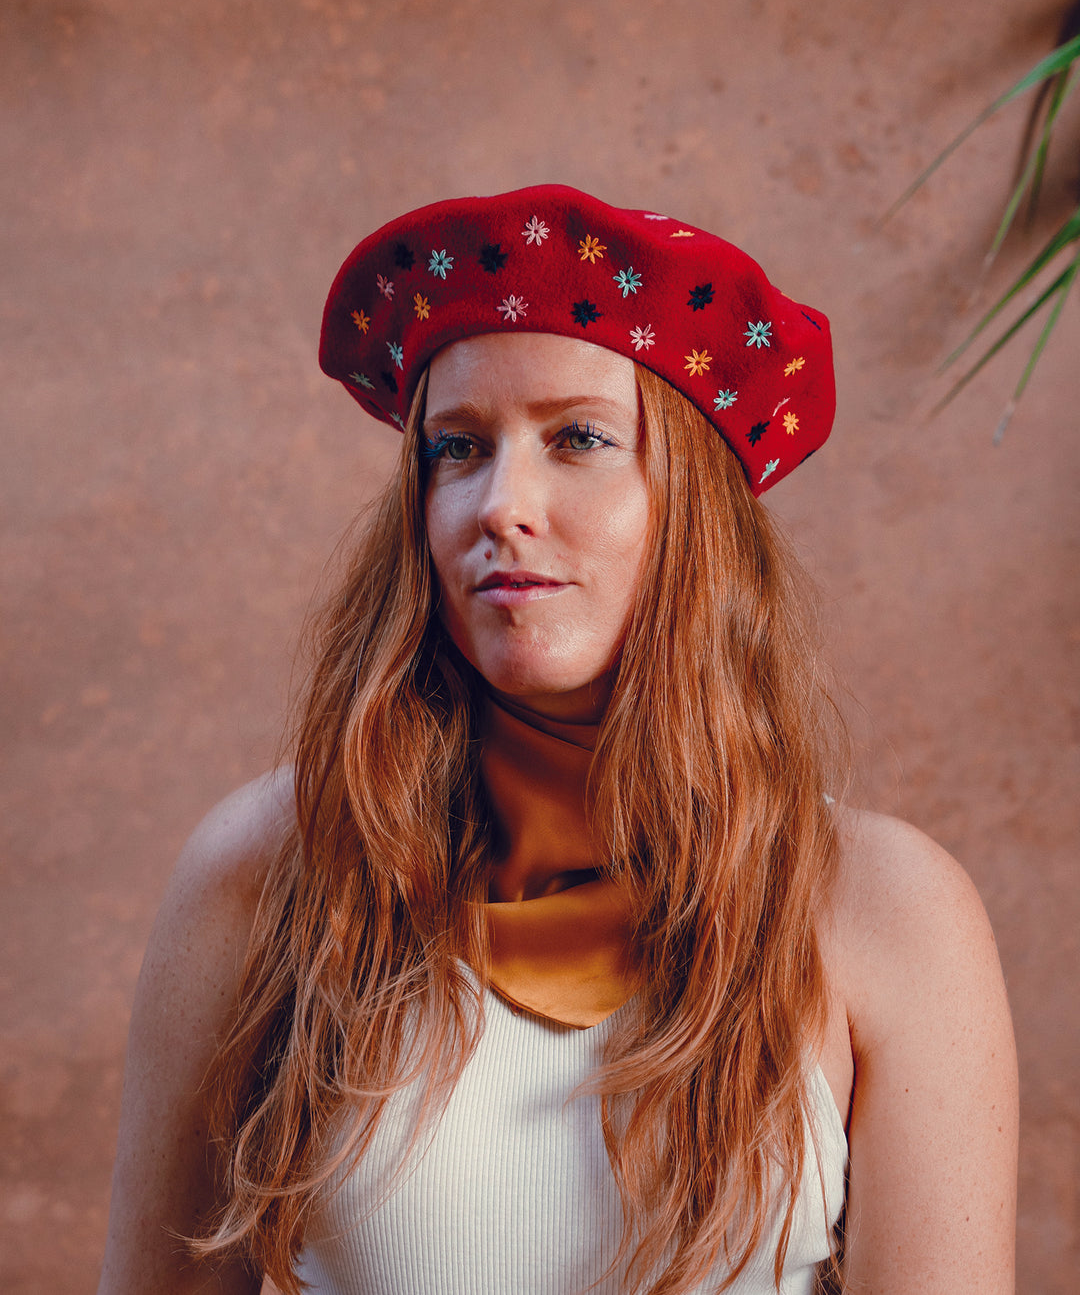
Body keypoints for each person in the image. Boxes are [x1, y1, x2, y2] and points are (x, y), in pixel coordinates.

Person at [97, 186, 1018, 1295]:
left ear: (696, 512)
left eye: (579, 437)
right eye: (458, 448)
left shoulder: (885, 905)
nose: (501, 503)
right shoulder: (268, 869)